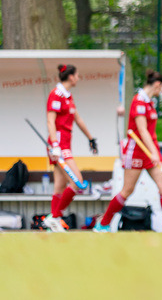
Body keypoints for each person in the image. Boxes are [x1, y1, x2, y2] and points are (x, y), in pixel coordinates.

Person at [94, 70, 162, 232]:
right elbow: (142, 130)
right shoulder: (139, 101)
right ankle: (103, 223)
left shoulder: (149, 102)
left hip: (149, 151)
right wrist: (153, 152)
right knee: (127, 190)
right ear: (157, 84)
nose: (161, 91)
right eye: (161, 87)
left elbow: (151, 132)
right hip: (136, 150)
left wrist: (156, 153)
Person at [42, 64, 99, 232]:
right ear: (71, 77)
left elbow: (78, 119)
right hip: (59, 146)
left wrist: (90, 138)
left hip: (66, 145)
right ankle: (55, 216)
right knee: (77, 182)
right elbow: (50, 121)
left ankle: (54, 220)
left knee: (59, 186)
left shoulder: (68, 96)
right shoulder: (56, 95)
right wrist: (55, 145)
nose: (79, 78)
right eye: (78, 75)